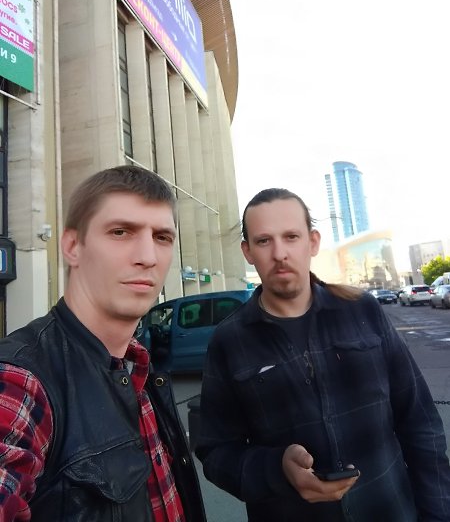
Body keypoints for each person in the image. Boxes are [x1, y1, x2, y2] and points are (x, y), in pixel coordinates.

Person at [196, 187, 450, 521]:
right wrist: (277, 469)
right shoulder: (229, 340)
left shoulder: (362, 311)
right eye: (264, 241)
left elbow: (420, 422)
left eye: (291, 237)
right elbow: (216, 451)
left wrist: (437, 512)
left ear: (312, 242)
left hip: (391, 510)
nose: (280, 253)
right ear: (248, 252)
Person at [0, 165, 206, 521]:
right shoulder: (22, 380)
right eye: (121, 232)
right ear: (72, 247)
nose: (148, 257)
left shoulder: (139, 367)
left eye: (162, 237)